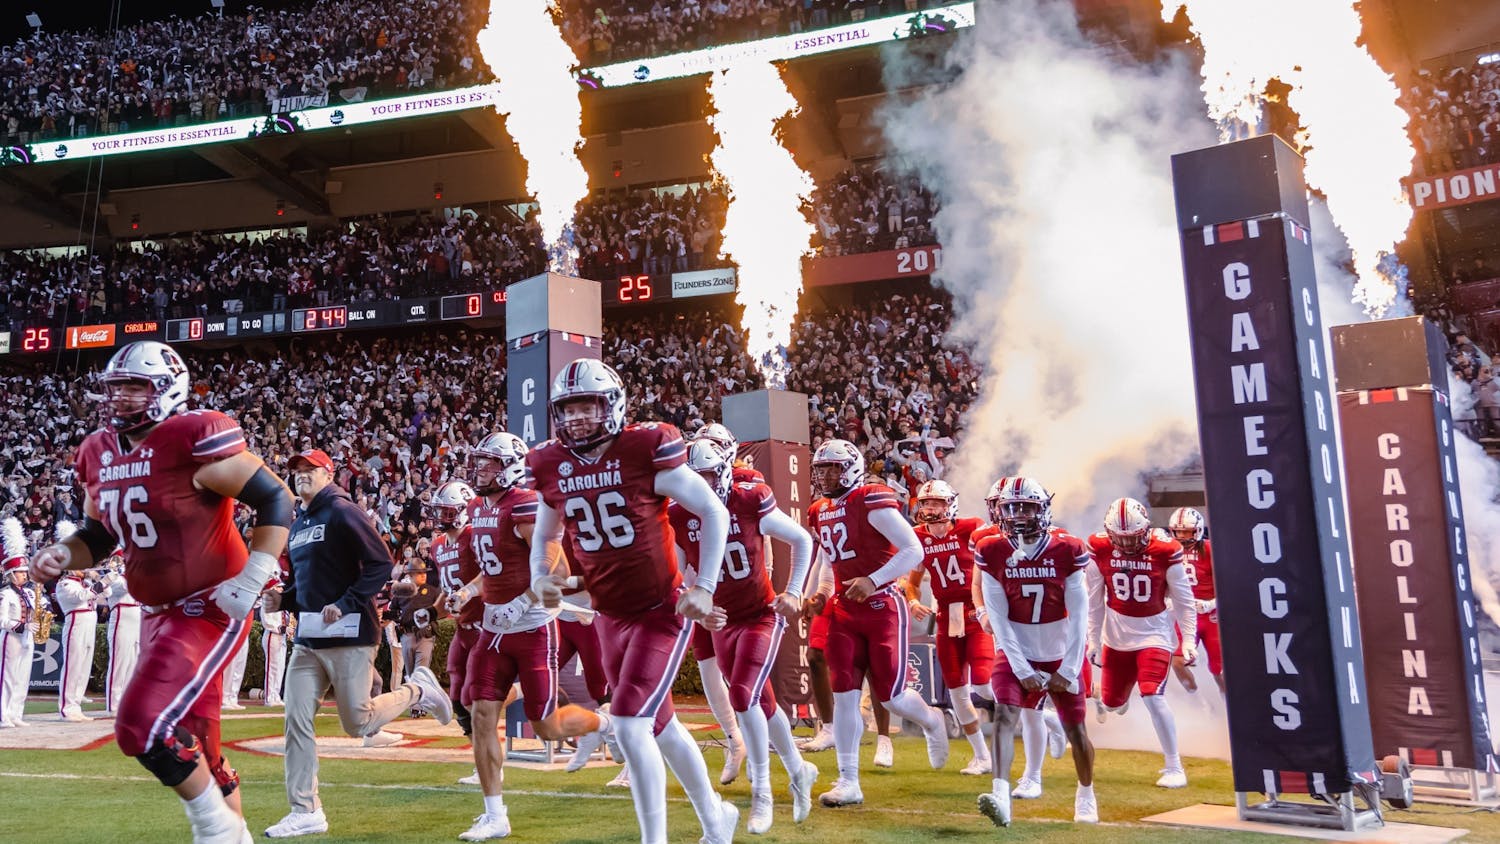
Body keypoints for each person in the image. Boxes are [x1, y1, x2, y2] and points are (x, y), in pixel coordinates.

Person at [30, 340, 295, 843]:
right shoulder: (97, 451)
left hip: (207, 607)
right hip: (156, 611)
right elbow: (100, 536)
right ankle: (235, 838)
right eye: (117, 388)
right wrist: (65, 554)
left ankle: (214, 828)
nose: (123, 398)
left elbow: (274, 497)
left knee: (139, 724)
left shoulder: (190, 436)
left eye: (137, 387)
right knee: (202, 749)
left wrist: (254, 575)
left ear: (168, 389)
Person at [526, 358, 740, 844]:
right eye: (569, 409)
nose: (577, 418)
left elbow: (711, 509)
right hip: (609, 615)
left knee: (626, 722)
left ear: (613, 406)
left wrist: (704, 585)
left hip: (660, 610)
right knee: (659, 725)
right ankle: (715, 819)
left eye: (588, 406)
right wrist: (542, 575)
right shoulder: (549, 464)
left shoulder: (644, 448)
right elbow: (545, 537)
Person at [263, 447, 452, 839]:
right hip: (309, 639)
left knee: (358, 722)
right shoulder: (298, 524)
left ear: (328, 474)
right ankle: (305, 809)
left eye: (309, 469)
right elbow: (305, 585)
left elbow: (381, 563)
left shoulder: (343, 510)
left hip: (351, 633)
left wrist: (347, 602)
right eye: (296, 470)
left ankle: (418, 690)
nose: (300, 475)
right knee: (296, 721)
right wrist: (285, 598)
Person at [451, 431, 605, 841]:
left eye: (490, 463)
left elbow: (554, 570)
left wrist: (522, 601)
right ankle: (495, 814)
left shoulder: (523, 505)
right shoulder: (480, 506)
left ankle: (601, 723)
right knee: (482, 716)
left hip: (532, 627)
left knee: (547, 727)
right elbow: (495, 567)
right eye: (480, 462)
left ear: (511, 467)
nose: (480, 471)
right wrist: (469, 590)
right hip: (493, 632)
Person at [670, 439, 819, 833]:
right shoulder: (678, 514)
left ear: (721, 474)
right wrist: (695, 603)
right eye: (692, 478)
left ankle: (763, 792)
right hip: (722, 620)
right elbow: (677, 575)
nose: (697, 486)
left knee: (742, 695)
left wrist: (793, 591)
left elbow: (802, 538)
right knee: (763, 705)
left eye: (705, 476)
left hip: (759, 615)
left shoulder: (750, 498)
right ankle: (799, 769)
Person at [807, 438, 950, 808]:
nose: (825, 476)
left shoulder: (870, 498)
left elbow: (913, 549)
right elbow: (828, 561)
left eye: (833, 467)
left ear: (851, 467)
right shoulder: (820, 509)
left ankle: (933, 720)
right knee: (844, 696)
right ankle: (848, 780)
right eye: (821, 468)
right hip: (843, 610)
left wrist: (873, 579)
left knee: (893, 696)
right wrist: (817, 595)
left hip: (883, 605)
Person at [972, 477, 1096, 826]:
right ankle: (1000, 796)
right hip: (1017, 649)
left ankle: (1086, 794)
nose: (1019, 514)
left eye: (1027, 506)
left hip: (1060, 647)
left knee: (1076, 730)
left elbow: (1080, 613)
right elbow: (998, 617)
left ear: (1043, 508)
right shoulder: (991, 549)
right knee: (1005, 716)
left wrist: (1069, 669)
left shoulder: (1067, 548)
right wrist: (1021, 666)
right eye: (1012, 507)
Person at [1086, 498, 1197, 789]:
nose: (1124, 543)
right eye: (1119, 537)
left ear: (1145, 529)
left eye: (1131, 537)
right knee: (1112, 704)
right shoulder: (1099, 547)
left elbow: (1184, 601)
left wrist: (1187, 640)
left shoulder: (1165, 550)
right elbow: (1094, 601)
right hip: (1116, 637)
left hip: (1154, 635)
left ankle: (1174, 766)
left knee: (1152, 695)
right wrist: (1093, 639)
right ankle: (1104, 696)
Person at [973, 480, 1065, 796]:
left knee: (1028, 709)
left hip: (1039, 630)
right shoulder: (987, 541)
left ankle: (1032, 775)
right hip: (1005, 629)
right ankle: (1047, 726)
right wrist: (982, 612)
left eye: (1020, 507)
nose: (1016, 515)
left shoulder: (1052, 541)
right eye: (1007, 507)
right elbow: (978, 584)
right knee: (997, 694)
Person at [902, 479, 993, 776]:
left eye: (936, 503)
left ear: (950, 504)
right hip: (944, 618)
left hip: (975, 613)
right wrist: (914, 603)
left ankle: (1040, 714)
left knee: (984, 684)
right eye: (925, 503)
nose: (929, 508)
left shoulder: (971, 528)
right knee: (957, 692)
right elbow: (911, 583)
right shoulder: (916, 537)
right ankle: (982, 756)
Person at [430, 480, 480, 742]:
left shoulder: (474, 536)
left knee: (476, 697)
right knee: (458, 701)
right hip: (462, 628)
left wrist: (468, 594)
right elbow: (446, 589)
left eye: (448, 512)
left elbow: (491, 575)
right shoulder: (438, 545)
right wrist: (431, 613)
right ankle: (479, 760)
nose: (441, 517)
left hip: (484, 626)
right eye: (439, 511)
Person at [1166, 507, 1223, 698]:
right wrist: (1168, 601)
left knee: (1220, 669)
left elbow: (1228, 586)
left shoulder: (1210, 550)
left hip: (1212, 615)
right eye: (1178, 531)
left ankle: (1227, 703)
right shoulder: (1167, 551)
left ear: (1197, 530)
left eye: (1187, 531)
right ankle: (1196, 698)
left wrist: (1211, 603)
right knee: (1177, 662)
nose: (1182, 536)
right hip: (1186, 616)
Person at [1, 517, 34, 728]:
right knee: (7, 676)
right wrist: (22, 626)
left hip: (27, 637)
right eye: (21, 572)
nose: (24, 574)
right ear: (12, 575)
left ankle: (16, 713)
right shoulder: (5, 594)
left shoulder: (29, 592)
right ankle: (3, 715)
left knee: (22, 677)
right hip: (12, 637)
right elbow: (2, 619)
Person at [55, 568, 99, 721]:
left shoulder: (85, 583)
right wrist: (101, 583)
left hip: (89, 623)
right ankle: (67, 707)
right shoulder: (64, 584)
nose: (84, 569)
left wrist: (98, 580)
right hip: (76, 622)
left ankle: (76, 705)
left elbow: (108, 594)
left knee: (84, 668)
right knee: (72, 666)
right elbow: (81, 596)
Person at [102, 551, 143, 714]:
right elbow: (124, 587)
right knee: (119, 663)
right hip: (122, 616)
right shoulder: (115, 579)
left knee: (134, 663)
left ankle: (128, 701)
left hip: (137, 616)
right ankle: (113, 704)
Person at [392, 563, 441, 680]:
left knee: (420, 674)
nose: (423, 575)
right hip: (407, 635)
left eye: (424, 572)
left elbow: (441, 609)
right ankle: (414, 697)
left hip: (425, 635)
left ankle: (421, 696)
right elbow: (393, 609)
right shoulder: (401, 590)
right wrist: (399, 619)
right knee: (410, 674)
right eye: (419, 573)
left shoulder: (432, 591)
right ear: (410, 575)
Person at [260, 597, 290, 707]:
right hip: (272, 634)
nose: (281, 589)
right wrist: (281, 628)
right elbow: (267, 621)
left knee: (280, 666)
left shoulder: (282, 602)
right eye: (278, 586)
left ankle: (276, 695)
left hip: (282, 636)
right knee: (272, 667)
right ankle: (269, 697)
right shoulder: (268, 601)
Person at [221, 628, 251, 711]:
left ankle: (233, 698)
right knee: (230, 665)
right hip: (232, 628)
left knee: (240, 665)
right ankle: (224, 699)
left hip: (244, 629)